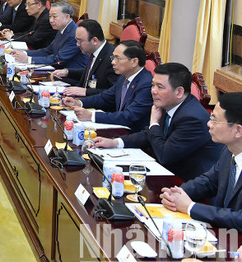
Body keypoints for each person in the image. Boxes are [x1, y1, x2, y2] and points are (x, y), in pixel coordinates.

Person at [92, 63, 222, 181]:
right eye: (153, 85)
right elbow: (148, 134)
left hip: (188, 184)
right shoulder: (171, 103)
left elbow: (165, 155)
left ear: (179, 92)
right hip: (168, 173)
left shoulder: (192, 118)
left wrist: (154, 122)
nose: (153, 91)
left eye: (160, 87)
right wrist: (115, 142)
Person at [160, 92, 242, 231]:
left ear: (238, 130)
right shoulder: (228, 151)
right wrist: (178, 193)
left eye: (215, 120)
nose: (209, 124)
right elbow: (209, 181)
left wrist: (190, 207)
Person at [62, 41, 152, 131]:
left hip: (134, 136)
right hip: (119, 130)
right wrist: (79, 103)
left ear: (134, 62)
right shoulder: (123, 78)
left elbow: (130, 116)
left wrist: (91, 116)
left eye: (118, 58)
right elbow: (105, 97)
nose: (113, 62)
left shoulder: (146, 84)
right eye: (113, 57)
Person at [9, 2, 86, 70]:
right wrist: (23, 53)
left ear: (67, 17)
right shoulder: (62, 28)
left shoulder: (74, 35)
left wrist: (28, 59)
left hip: (70, 77)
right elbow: (48, 50)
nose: (51, 20)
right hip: (57, 71)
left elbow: (58, 60)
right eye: (50, 16)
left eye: (54, 17)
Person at [52, 19, 118, 97]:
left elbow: (115, 92)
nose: (77, 44)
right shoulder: (95, 51)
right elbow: (91, 72)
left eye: (80, 41)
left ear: (94, 41)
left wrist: (86, 91)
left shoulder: (112, 59)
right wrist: (67, 72)